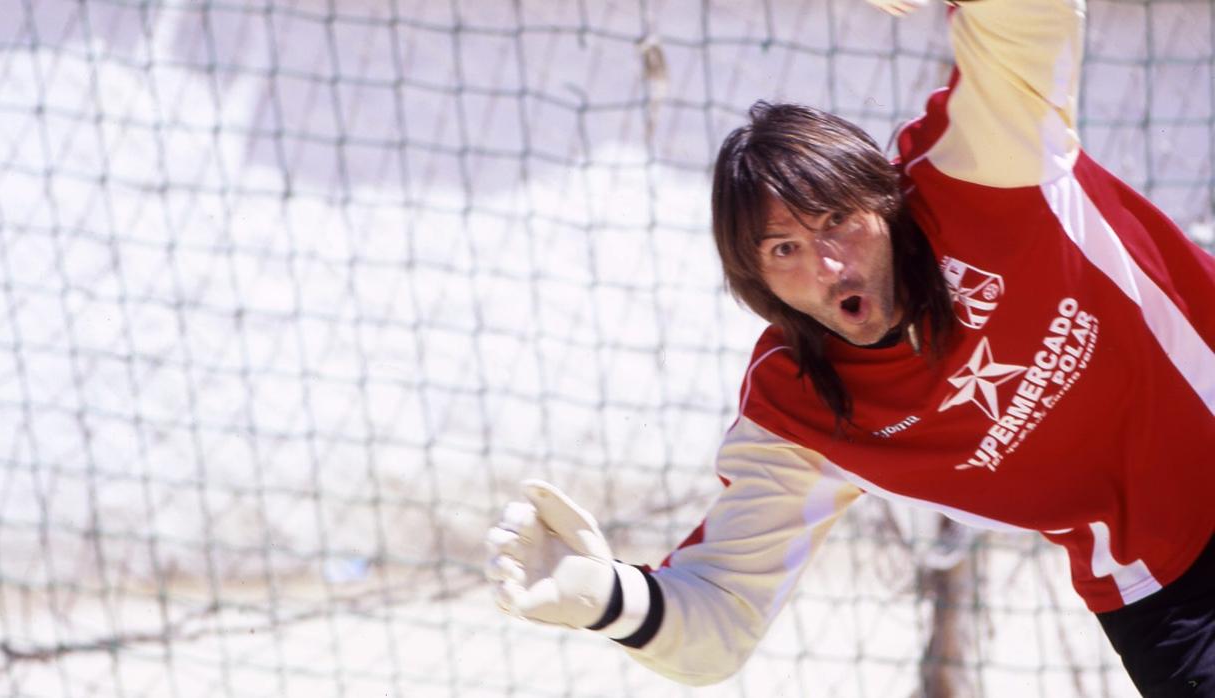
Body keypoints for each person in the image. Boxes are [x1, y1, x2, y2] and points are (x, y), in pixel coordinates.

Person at [483, 0, 1215, 694]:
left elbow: (1034, 16)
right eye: (783, 249)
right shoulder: (799, 412)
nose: (827, 267)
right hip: (1166, 591)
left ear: (885, 204)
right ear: (757, 281)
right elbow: (720, 621)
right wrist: (604, 597)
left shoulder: (984, 169)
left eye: (838, 219)